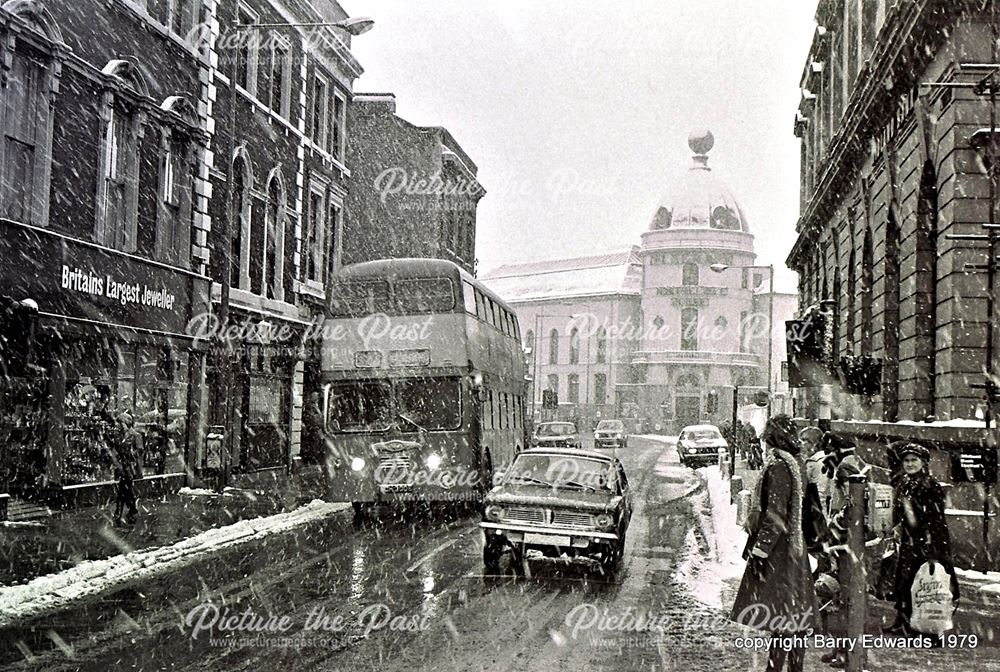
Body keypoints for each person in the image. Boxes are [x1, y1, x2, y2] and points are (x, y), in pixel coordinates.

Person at [731, 414, 818, 672]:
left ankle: (775, 668)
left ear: (773, 438)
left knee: (782, 616)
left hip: (781, 552)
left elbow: (776, 516)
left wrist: (760, 551)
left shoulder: (779, 467)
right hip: (794, 546)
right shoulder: (796, 464)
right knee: (796, 615)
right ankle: (794, 667)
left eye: (767, 437)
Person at [890, 443, 959, 636]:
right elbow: (903, 512)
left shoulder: (930, 485)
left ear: (923, 462)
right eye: (906, 460)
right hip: (909, 540)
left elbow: (935, 519)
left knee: (923, 582)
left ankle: (922, 624)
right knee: (906, 581)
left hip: (926, 542)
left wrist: (930, 545)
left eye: (914, 460)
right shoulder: (905, 483)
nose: (910, 464)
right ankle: (903, 619)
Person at [106, 410, 141, 525]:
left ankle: (119, 512)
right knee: (125, 489)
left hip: (130, 466)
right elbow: (115, 448)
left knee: (123, 489)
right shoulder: (118, 435)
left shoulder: (136, 435)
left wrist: (130, 454)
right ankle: (131, 509)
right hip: (121, 466)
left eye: (120, 423)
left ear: (126, 423)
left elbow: (139, 451)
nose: (118, 425)